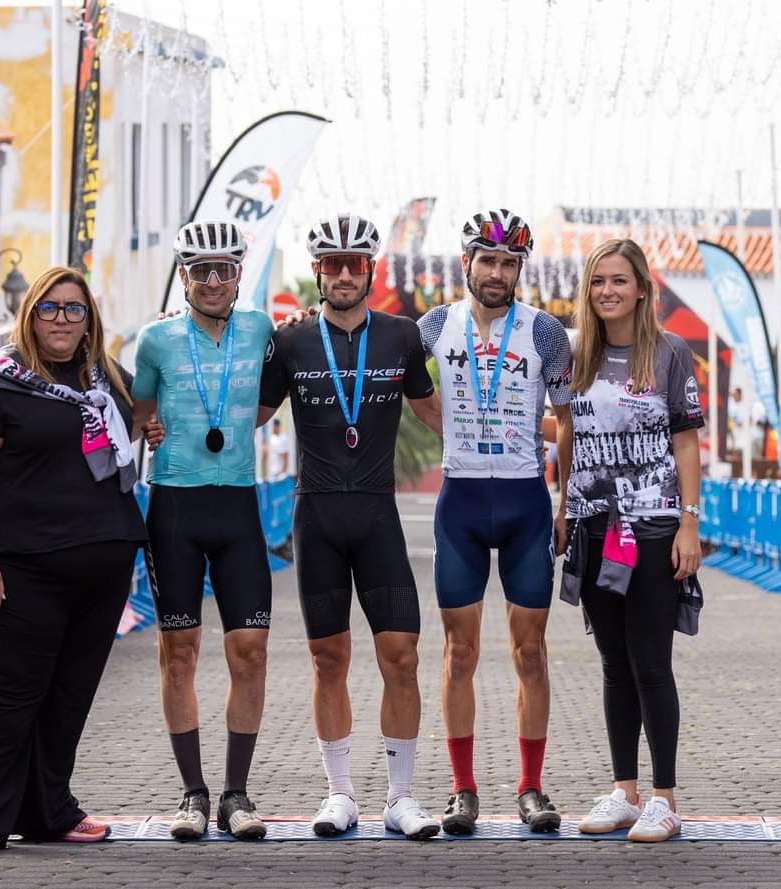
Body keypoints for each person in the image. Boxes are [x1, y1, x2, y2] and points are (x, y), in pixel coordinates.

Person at [0, 266, 148, 855]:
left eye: (74, 309)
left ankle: (49, 810)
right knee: (8, 694)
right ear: (30, 315)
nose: (62, 319)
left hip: (101, 567)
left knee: (68, 695)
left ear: (90, 320)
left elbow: (146, 417)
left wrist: (152, 422)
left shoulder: (105, 378)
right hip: (19, 567)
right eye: (50, 309)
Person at [258, 213, 443, 841]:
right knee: (327, 658)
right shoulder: (289, 344)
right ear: (317, 271)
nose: (342, 273)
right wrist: (159, 419)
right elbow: (245, 413)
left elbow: (437, 413)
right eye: (331, 263)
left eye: (354, 264)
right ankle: (339, 794)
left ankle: (400, 797)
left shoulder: (401, 337)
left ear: (371, 271)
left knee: (403, 654)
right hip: (317, 515)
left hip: (376, 514)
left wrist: (526, 433)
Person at [416, 209, 573, 835]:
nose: (499, 273)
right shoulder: (434, 326)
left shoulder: (545, 334)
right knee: (459, 653)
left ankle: (531, 786)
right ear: (467, 264)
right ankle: (462, 789)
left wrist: (566, 504)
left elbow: (568, 421)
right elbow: (383, 366)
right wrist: (447, 427)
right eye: (489, 261)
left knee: (530, 652)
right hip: (461, 505)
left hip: (526, 505)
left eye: (510, 264)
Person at [131, 220, 274, 841]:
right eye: (200, 270)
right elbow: (140, 413)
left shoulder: (265, 329)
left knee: (250, 650)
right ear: (183, 276)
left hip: (238, 506)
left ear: (239, 272)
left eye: (223, 269)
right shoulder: (156, 339)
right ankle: (193, 794)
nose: (213, 281)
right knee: (179, 654)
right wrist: (151, 428)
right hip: (175, 508)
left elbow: (282, 381)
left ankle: (236, 795)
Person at [559, 238, 703, 843]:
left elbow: (687, 442)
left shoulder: (671, 353)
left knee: (651, 664)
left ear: (641, 288)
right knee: (615, 666)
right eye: (598, 283)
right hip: (593, 529)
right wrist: (563, 505)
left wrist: (690, 523)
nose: (608, 292)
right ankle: (624, 791)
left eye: (619, 281)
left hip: (652, 529)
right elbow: (566, 433)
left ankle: (664, 799)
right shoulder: (573, 357)